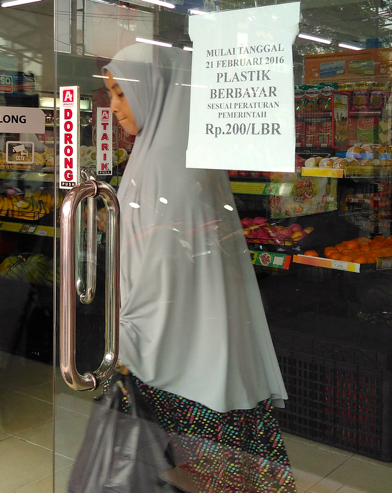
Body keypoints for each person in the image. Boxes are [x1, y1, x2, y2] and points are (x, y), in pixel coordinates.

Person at [99, 44, 296, 492]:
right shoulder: (162, 151)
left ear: (156, 90)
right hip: (196, 339)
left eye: (121, 93)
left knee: (204, 469)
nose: (113, 107)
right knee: (214, 469)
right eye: (111, 93)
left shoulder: (169, 163)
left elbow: (164, 268)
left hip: (176, 347)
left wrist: (127, 336)